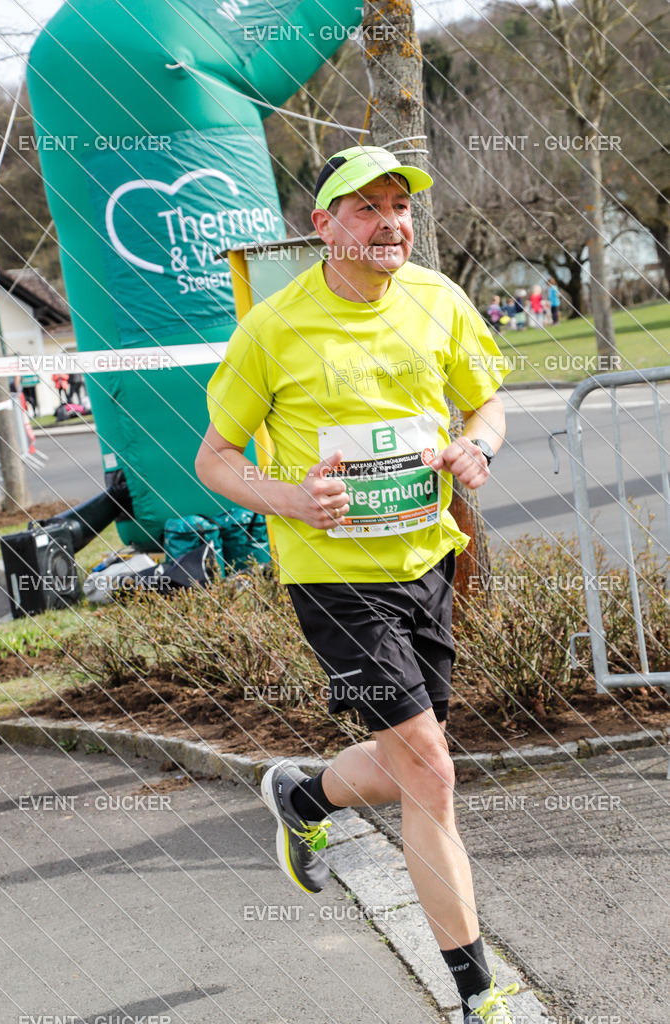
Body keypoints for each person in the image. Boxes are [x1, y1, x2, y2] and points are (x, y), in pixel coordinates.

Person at [195, 145, 515, 1024]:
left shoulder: (438, 301)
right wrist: (290, 497)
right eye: (365, 209)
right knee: (433, 775)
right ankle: (478, 997)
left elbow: (487, 402)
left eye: (398, 207)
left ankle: (302, 795)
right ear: (323, 225)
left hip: (427, 561)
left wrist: (477, 446)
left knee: (409, 766)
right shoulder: (274, 327)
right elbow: (214, 458)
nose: (390, 224)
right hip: (335, 577)